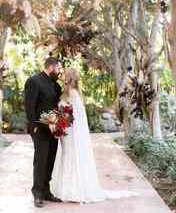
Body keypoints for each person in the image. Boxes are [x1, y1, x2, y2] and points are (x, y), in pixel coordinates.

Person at [52, 68, 138, 203]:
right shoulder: (66, 93)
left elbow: (77, 118)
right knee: (66, 157)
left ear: (68, 78)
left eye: (65, 75)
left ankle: (74, 190)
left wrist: (64, 124)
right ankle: (65, 188)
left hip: (72, 134)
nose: (62, 76)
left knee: (72, 157)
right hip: (66, 134)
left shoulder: (73, 94)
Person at [24, 57, 62, 207]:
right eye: (58, 69)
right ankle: (37, 193)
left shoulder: (55, 84)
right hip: (39, 128)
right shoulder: (34, 81)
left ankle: (46, 191)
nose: (59, 72)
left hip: (54, 129)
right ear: (51, 67)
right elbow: (29, 105)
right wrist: (33, 125)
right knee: (41, 160)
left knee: (50, 159)